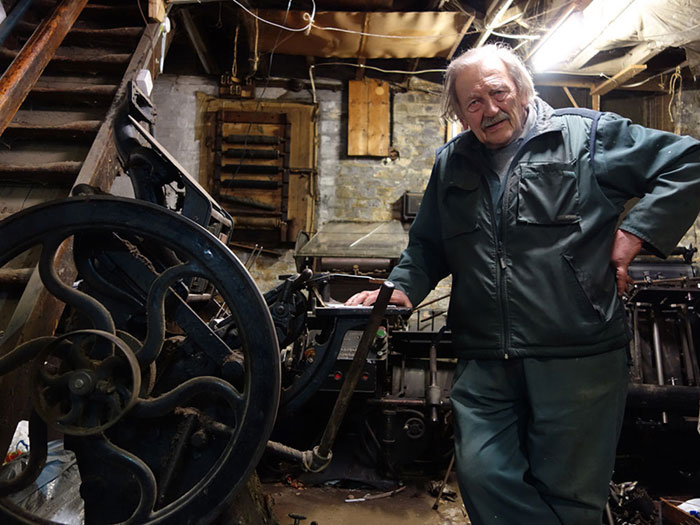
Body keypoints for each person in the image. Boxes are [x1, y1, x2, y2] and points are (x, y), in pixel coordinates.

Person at [345, 43, 700, 524]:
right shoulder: (453, 162)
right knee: (481, 472)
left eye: (498, 92)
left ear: (522, 89)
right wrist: (404, 287)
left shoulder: (586, 138)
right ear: (460, 113)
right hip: (485, 355)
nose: (489, 109)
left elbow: (688, 161)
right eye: (473, 102)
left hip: (577, 354)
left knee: (570, 495)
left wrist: (637, 232)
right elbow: (428, 245)